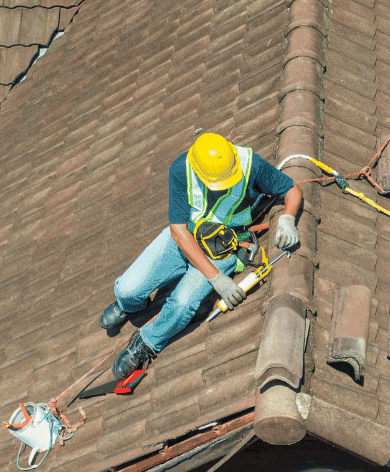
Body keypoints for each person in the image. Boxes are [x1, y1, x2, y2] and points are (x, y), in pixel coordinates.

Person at [101, 133, 303, 380]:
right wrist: (215, 278)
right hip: (185, 238)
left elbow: (291, 189)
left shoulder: (251, 164)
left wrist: (288, 218)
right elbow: (178, 230)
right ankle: (130, 306)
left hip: (225, 245)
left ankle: (148, 341)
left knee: (183, 304)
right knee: (127, 289)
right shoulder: (181, 169)